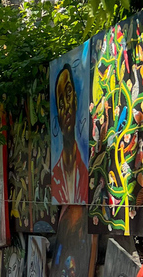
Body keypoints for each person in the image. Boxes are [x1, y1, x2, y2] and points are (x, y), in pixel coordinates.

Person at [52, 64, 88, 204]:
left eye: (68, 94)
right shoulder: (55, 175)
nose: (66, 106)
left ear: (76, 100)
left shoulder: (85, 170)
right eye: (60, 104)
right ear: (58, 118)